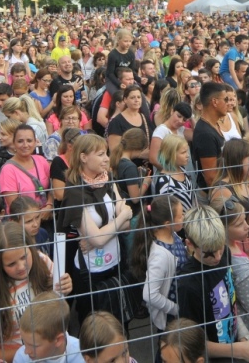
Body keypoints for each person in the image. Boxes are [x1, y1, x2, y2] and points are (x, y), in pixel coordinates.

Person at [176, 205, 249, 360]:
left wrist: (243, 338)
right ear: (190, 244)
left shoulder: (225, 254)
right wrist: (239, 350)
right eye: (208, 253)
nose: (217, 256)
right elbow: (193, 344)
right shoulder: (188, 285)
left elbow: (231, 304)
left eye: (219, 247)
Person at [57, 134, 132, 323]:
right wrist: (121, 216)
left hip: (117, 264)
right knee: (95, 326)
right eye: (100, 154)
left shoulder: (108, 178)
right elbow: (104, 233)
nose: (107, 159)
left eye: (106, 153)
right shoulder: (75, 192)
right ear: (83, 157)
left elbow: (126, 226)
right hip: (90, 273)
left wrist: (99, 236)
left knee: (119, 322)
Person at [0, 221, 72, 362]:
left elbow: (59, 302)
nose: (21, 266)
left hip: (58, 354)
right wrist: (34, 349)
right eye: (11, 264)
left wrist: (66, 286)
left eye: (24, 257)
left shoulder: (42, 262)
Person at [213, 196, 249, 340]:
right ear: (223, 228)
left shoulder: (224, 249)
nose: (247, 226)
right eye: (239, 224)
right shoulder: (240, 265)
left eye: (245, 219)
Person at [130, 195, 185, 332]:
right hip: (172, 318)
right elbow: (149, 294)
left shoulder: (172, 235)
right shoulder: (160, 255)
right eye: (180, 215)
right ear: (167, 223)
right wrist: (175, 309)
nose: (184, 216)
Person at [14, 291, 86, 363]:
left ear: (58, 340)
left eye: (34, 346)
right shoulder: (22, 358)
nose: (26, 351)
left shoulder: (83, 355)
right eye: (24, 342)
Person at [0, 124, 52, 217]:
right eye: (20, 141)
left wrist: (49, 205)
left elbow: (53, 187)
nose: (25, 145)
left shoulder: (41, 160)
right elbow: (13, 205)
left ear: (35, 142)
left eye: (29, 141)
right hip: (21, 222)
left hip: (45, 219)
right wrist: (36, 215)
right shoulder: (8, 170)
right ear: (14, 143)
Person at [191, 82, 228, 190]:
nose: (229, 103)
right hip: (215, 194)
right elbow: (211, 178)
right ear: (215, 102)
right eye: (225, 99)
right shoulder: (205, 134)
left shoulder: (214, 124)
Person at [110, 128, 151, 218]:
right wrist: (146, 182)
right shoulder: (129, 166)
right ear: (137, 148)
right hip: (132, 213)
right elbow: (135, 198)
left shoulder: (117, 159)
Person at [106, 85, 152, 154]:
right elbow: (114, 152)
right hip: (126, 163)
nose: (136, 100)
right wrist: (138, 154)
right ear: (125, 100)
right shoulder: (116, 122)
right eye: (132, 97)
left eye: (139, 97)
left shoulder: (145, 118)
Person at [154, 134, 195, 210]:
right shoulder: (164, 182)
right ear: (171, 154)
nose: (187, 155)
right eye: (183, 152)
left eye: (187, 151)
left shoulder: (182, 170)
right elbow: (165, 211)